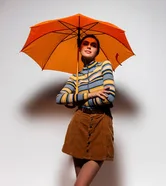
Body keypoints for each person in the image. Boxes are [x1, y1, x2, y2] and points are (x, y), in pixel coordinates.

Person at [55, 34, 116, 186]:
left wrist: (77, 98)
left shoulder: (105, 66)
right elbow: (60, 98)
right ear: (80, 48)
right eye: (85, 43)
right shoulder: (75, 77)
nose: (89, 46)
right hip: (79, 123)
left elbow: (108, 98)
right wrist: (91, 94)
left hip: (101, 122)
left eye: (93, 45)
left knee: (80, 184)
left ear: (97, 51)